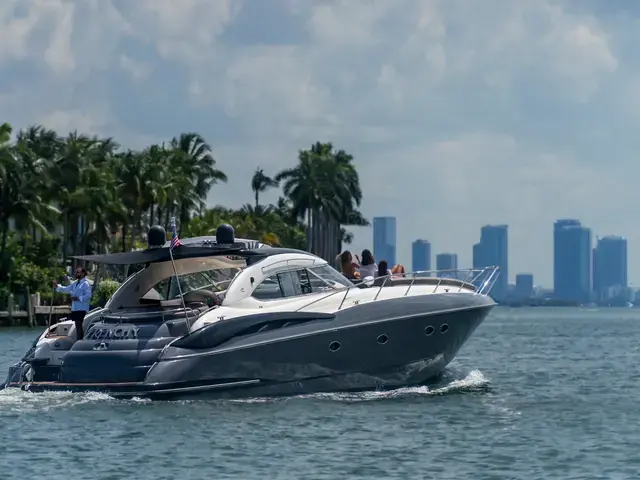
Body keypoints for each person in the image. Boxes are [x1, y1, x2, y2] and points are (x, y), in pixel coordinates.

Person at [54, 267, 92, 340]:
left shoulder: (86, 284)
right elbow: (67, 289)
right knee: (77, 324)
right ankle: (79, 339)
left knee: (79, 323)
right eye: (76, 272)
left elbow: (88, 296)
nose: (76, 273)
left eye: (78, 272)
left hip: (81, 308)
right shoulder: (75, 283)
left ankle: (80, 340)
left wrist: (78, 298)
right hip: (75, 308)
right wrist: (57, 287)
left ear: (83, 273)